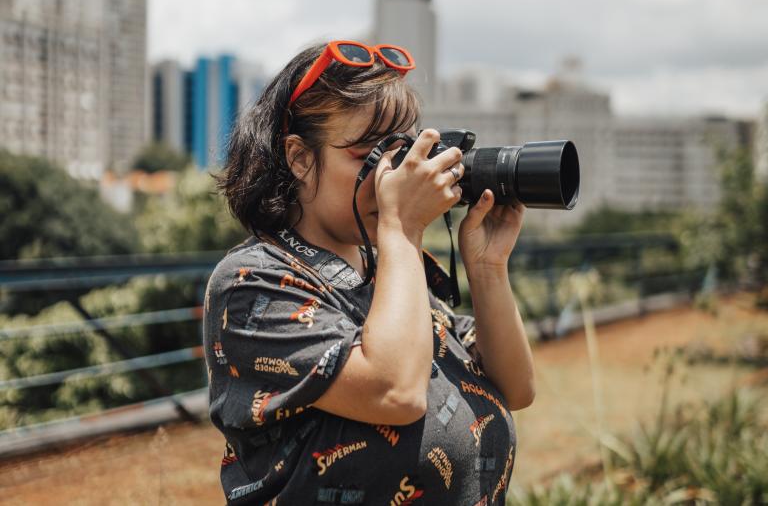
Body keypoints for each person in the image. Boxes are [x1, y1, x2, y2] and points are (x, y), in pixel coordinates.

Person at [203, 40, 536, 505]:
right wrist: (400, 228)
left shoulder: (393, 272)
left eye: (401, 153)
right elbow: (395, 392)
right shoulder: (252, 282)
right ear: (300, 158)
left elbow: (516, 387)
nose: (391, 175)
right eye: (368, 155)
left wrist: (487, 268)